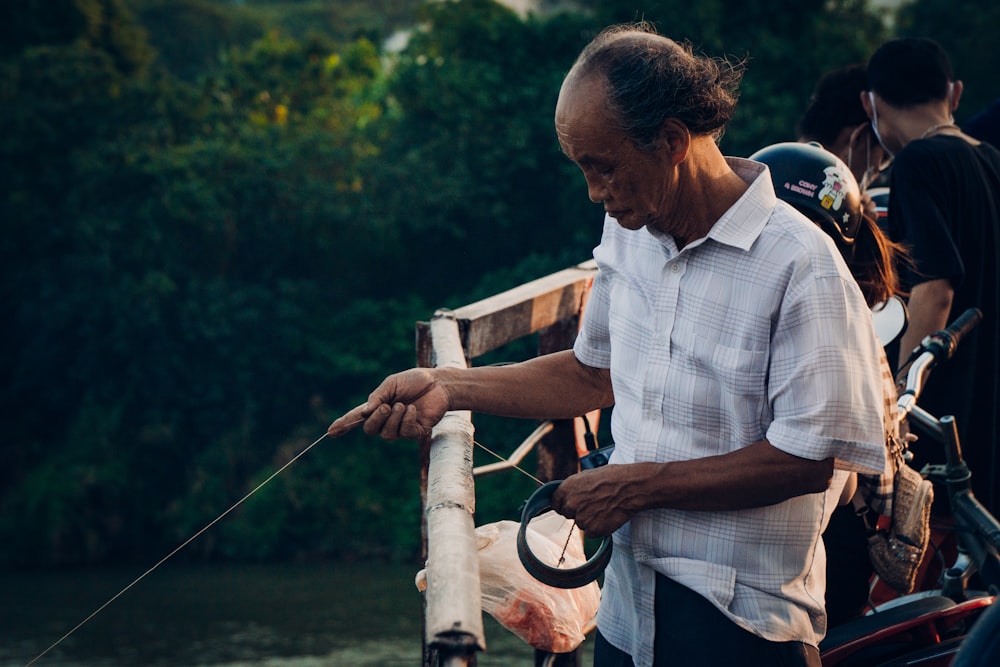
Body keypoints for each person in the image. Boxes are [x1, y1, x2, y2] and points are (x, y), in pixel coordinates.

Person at [329, 23, 887, 667]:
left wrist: (637, 488)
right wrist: (451, 388)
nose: (596, 192)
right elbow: (594, 374)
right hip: (626, 611)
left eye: (605, 167)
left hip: (741, 626)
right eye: (584, 170)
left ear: (673, 141)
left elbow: (808, 459)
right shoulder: (631, 227)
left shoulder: (801, 266)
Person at [749, 141, 923, 626]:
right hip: (852, 536)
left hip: (829, 549)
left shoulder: (822, 319)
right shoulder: (848, 301)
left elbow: (834, 483)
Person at [863, 37, 1000, 515]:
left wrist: (901, 402)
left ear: (871, 102)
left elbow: (935, 286)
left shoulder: (919, 162)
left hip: (947, 412)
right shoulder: (990, 159)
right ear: (955, 94)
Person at [797, 64, 890, 190]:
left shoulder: (769, 175)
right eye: (885, 158)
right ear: (860, 137)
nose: (878, 174)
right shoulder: (812, 203)